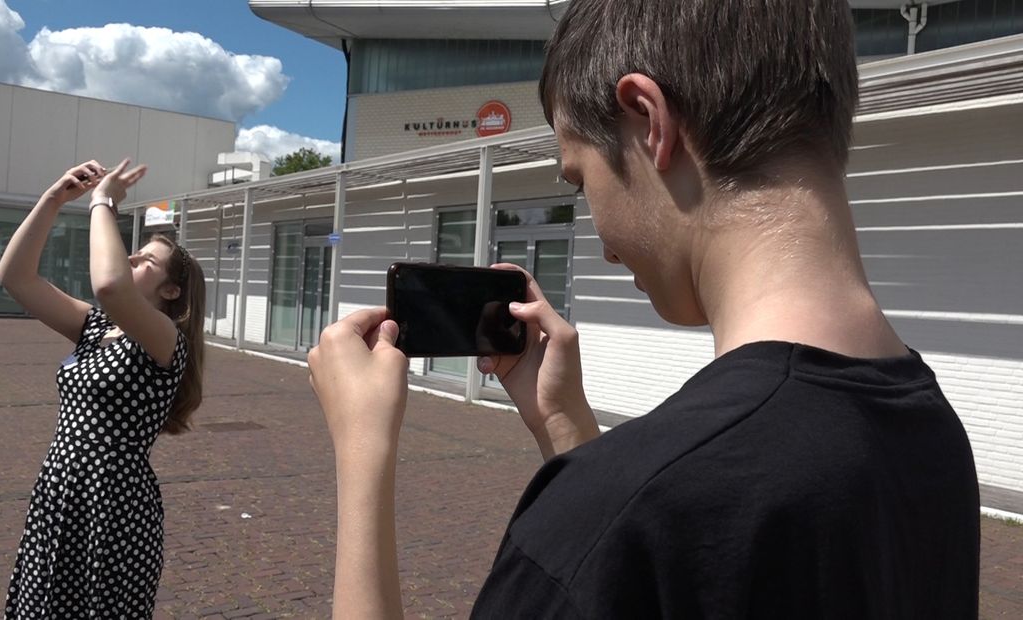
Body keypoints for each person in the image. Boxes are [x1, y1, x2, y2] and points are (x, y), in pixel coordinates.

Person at [306, 0, 980, 617]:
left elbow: (637, 520)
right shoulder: (933, 432)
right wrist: (565, 427)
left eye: (580, 179)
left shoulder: (635, 506)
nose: (602, 245)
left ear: (650, 121)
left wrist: (363, 455)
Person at [0, 159, 206, 618]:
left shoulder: (165, 340)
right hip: (60, 492)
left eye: (146, 259)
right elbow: (15, 277)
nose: (131, 257)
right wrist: (55, 198)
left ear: (171, 292)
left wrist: (102, 202)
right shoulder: (96, 327)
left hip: (114, 504)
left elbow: (109, 284)